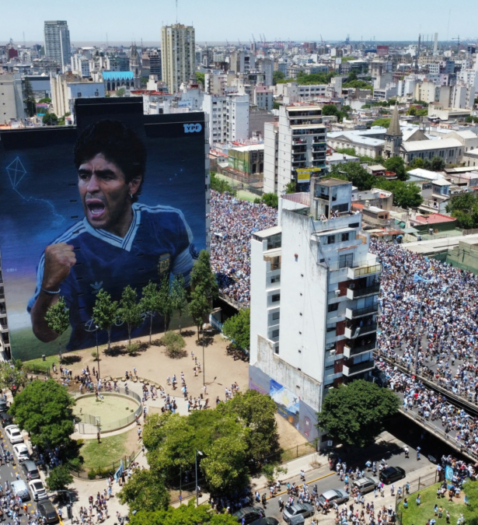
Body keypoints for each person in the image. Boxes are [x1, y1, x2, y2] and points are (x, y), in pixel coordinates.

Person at [29, 120, 196, 349]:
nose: (91, 187)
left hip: (155, 353)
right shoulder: (61, 253)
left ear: (133, 184)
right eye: (84, 175)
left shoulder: (169, 223)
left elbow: (194, 292)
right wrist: (49, 286)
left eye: (106, 176)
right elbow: (47, 333)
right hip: (98, 367)